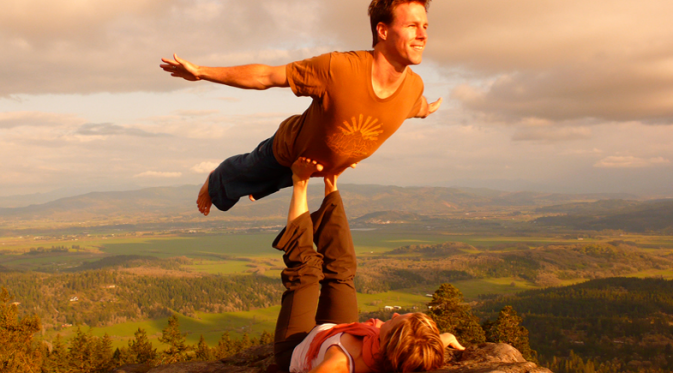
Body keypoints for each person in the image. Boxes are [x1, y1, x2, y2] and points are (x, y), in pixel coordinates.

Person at [160, 0, 442, 215]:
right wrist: (201, 72)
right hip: (288, 151)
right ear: (382, 30)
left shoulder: (414, 89)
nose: (422, 35)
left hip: (316, 169)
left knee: (269, 186)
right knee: (247, 173)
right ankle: (215, 179)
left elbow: (415, 106)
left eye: (425, 26)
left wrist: (427, 109)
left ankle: (261, 187)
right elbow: (267, 76)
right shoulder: (339, 69)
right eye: (412, 26)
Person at [272, 157, 464, 373]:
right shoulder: (408, 353)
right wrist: (443, 339)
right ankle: (330, 181)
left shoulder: (339, 363)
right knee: (343, 269)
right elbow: (417, 349)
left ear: (389, 344)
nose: (393, 316)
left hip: (299, 346)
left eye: (395, 323)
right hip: (339, 330)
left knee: (305, 271)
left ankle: (300, 181)